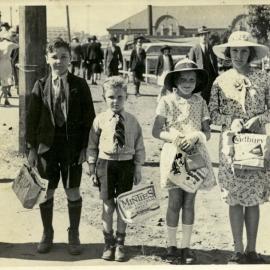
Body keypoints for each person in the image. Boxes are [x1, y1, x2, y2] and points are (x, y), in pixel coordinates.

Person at [26, 39, 95, 256]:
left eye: (64, 56)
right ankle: (47, 232)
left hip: (72, 147)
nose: (59, 61)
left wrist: (86, 147)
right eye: (54, 57)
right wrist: (31, 148)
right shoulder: (40, 84)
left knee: (72, 189)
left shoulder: (80, 85)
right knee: (47, 191)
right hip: (47, 146)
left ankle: (73, 233)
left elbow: (89, 119)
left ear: (71, 59)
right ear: (47, 59)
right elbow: (31, 119)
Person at [209, 31, 270, 264]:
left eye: (244, 50)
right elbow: (212, 113)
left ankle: (252, 250)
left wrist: (260, 118)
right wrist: (229, 121)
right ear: (228, 53)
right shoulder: (219, 81)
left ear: (251, 53)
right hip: (230, 145)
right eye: (235, 50)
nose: (239, 55)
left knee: (252, 199)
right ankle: (237, 249)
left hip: (255, 143)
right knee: (234, 198)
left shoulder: (263, 78)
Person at [152, 58, 216, 264]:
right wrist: (174, 137)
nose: (187, 83)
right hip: (174, 155)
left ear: (197, 81)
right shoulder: (167, 101)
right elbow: (156, 130)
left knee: (189, 202)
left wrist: (197, 135)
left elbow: (208, 133)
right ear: (174, 81)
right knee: (174, 202)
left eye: (191, 79)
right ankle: (171, 245)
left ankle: (186, 246)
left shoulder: (200, 102)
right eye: (183, 79)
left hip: (195, 155)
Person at [87, 76, 145, 262]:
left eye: (119, 97)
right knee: (107, 204)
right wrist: (91, 167)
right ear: (104, 97)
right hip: (105, 164)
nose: (115, 101)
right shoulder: (100, 120)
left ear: (126, 97)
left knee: (123, 205)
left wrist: (137, 168)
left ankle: (120, 243)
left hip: (126, 165)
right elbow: (92, 146)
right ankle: (108, 242)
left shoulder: (132, 121)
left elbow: (139, 146)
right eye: (111, 97)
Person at [188, 26, 218, 104]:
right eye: (201, 35)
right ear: (199, 37)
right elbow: (191, 66)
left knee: (210, 99)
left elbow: (215, 65)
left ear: (208, 36)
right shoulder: (194, 49)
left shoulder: (212, 49)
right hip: (200, 80)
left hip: (211, 79)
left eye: (205, 35)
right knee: (199, 99)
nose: (204, 37)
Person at [0, 29, 18, 106]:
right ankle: (5, 99)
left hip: (0, 62)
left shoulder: (0, 44)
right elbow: (19, 45)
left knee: (3, 82)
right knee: (6, 82)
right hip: (6, 64)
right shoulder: (10, 44)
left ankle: (6, 99)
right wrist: (16, 40)